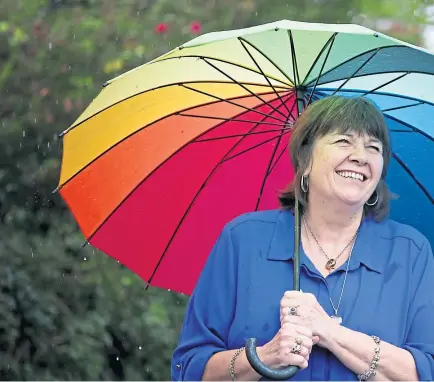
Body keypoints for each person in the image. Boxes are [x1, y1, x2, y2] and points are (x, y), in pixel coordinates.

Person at [170, 96, 434, 381]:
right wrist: (265, 356)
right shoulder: (243, 240)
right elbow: (190, 369)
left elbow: (425, 372)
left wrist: (330, 332)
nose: (360, 156)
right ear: (305, 160)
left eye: (374, 147)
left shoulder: (410, 252)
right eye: (343, 141)